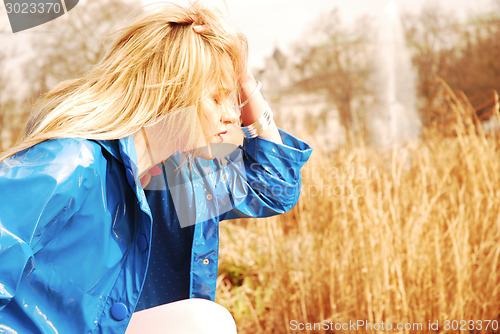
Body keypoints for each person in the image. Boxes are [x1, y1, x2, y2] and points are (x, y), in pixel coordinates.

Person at [0, 3, 312, 334]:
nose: (234, 116)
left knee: (206, 323)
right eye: (218, 99)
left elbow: (274, 186)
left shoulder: (180, 181)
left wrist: (246, 80)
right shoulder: (71, 162)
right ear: (173, 93)